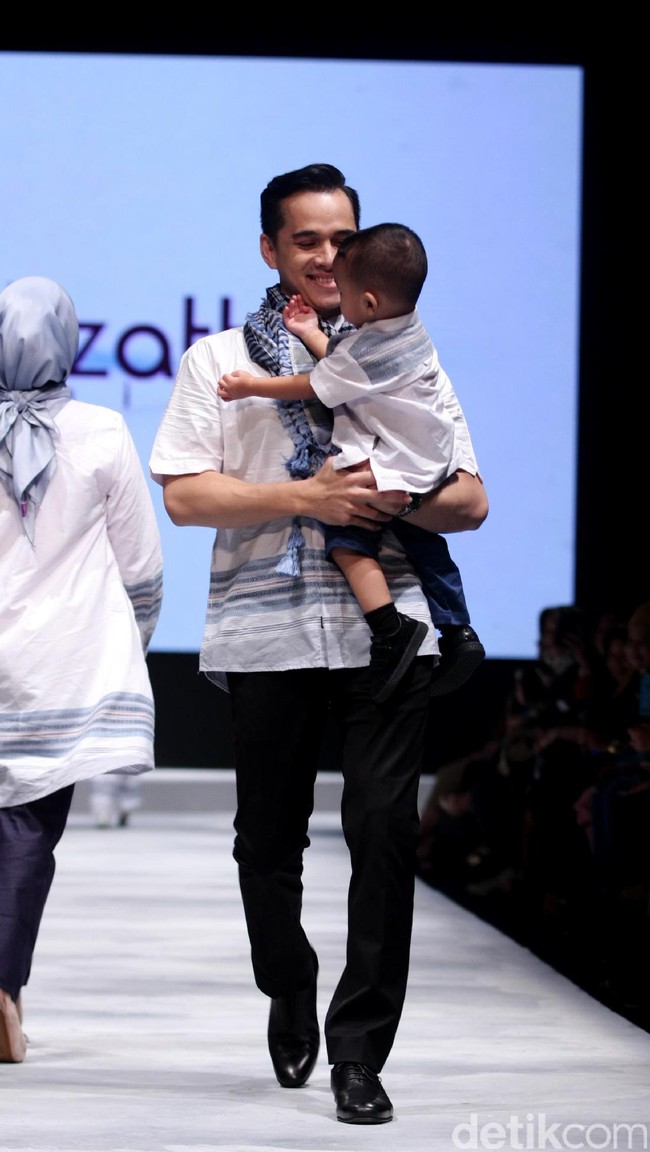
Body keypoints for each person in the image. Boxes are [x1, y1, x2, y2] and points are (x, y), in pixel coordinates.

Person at [150, 163, 488, 1124]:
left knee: (385, 833)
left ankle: (360, 1052)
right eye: (308, 241)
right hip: (265, 632)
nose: (330, 258)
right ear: (271, 250)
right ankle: (287, 981)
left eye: (343, 239)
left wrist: (393, 496)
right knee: (268, 837)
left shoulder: (406, 356)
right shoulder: (219, 359)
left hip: (391, 630)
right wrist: (307, 496)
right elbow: (183, 494)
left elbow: (472, 497)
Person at [218, 222, 485, 703]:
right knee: (428, 548)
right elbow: (345, 366)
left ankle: (389, 628)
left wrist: (249, 386)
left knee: (346, 542)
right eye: (306, 241)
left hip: (389, 471)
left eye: (342, 289)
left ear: (368, 303)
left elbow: (319, 383)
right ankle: (459, 632)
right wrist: (307, 330)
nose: (332, 288)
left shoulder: (366, 348)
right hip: (431, 464)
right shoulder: (409, 334)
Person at [0, 276, 163, 1063]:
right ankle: (1, 989)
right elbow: (139, 564)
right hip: (63, 663)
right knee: (28, 830)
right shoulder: (100, 430)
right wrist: (129, 641)